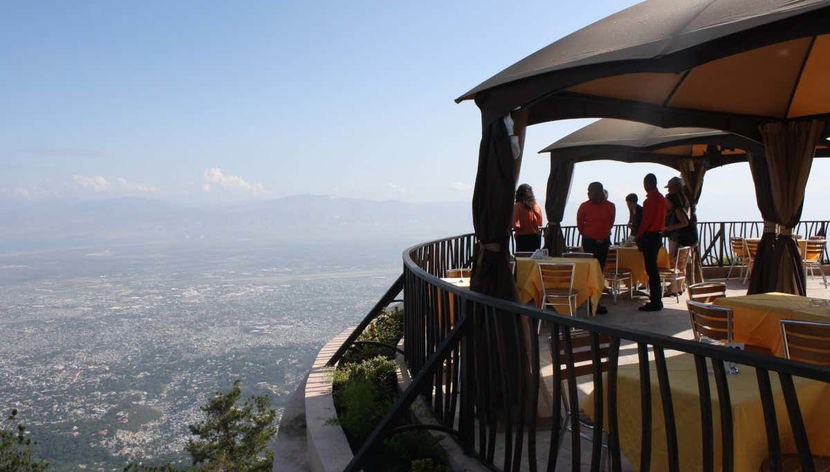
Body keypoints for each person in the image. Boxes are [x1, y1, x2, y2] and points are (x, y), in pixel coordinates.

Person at [577, 182, 615, 315]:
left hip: (603, 243)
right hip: (589, 243)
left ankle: (596, 302)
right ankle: (588, 300)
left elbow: (610, 222)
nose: (588, 193)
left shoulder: (610, 206)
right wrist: (589, 236)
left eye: (591, 191)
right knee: (589, 272)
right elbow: (580, 224)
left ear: (600, 192)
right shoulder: (584, 206)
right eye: (588, 191)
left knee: (599, 274)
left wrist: (601, 234)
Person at [636, 173, 667, 312]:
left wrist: (638, 236)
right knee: (653, 270)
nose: (644, 186)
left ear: (649, 183)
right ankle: (656, 300)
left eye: (645, 183)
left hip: (650, 236)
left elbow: (646, 221)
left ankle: (655, 302)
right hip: (658, 236)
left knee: (651, 270)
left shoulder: (649, 201)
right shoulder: (661, 199)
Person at [512, 183, 543, 252]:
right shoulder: (536, 206)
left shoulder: (518, 206)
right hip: (536, 237)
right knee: (534, 260)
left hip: (523, 238)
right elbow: (539, 223)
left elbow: (515, 225)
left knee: (522, 259)